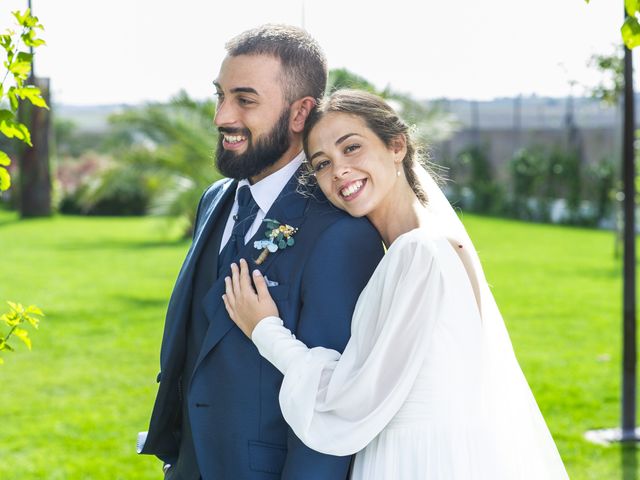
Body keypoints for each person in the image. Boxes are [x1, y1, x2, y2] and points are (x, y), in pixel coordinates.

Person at [223, 89, 569, 479]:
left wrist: (266, 331)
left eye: (351, 148)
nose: (338, 170)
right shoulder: (434, 247)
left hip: (418, 462)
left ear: (396, 146)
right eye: (322, 163)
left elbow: (353, 399)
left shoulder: (419, 253)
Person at [137, 27, 384, 479]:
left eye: (244, 100)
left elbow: (330, 409)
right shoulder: (215, 198)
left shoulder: (339, 232)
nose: (221, 116)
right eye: (220, 96)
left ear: (300, 113)